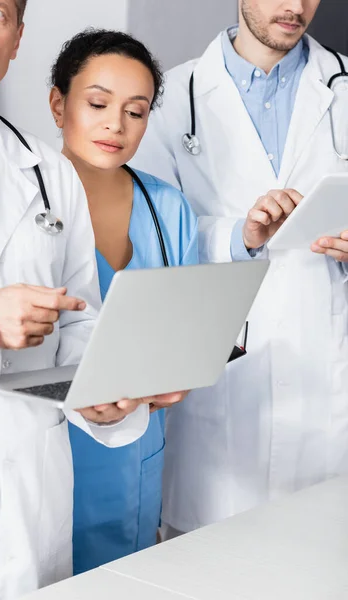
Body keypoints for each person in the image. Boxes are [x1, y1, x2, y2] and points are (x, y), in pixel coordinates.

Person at [0, 3, 164, 599]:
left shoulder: (50, 172)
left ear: (16, 38)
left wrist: (104, 395)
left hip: (32, 490)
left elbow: (82, 321)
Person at [132, 0, 348, 539]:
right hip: (221, 385)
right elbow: (151, 229)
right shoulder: (170, 99)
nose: (295, 7)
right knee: (211, 565)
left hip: (325, 376)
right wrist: (239, 234)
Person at [49, 29, 198, 573]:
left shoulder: (168, 207)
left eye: (136, 112)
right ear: (58, 103)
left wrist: (178, 376)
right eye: (97, 104)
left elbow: (184, 333)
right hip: (53, 458)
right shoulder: (23, 200)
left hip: (137, 458)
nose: (116, 124)